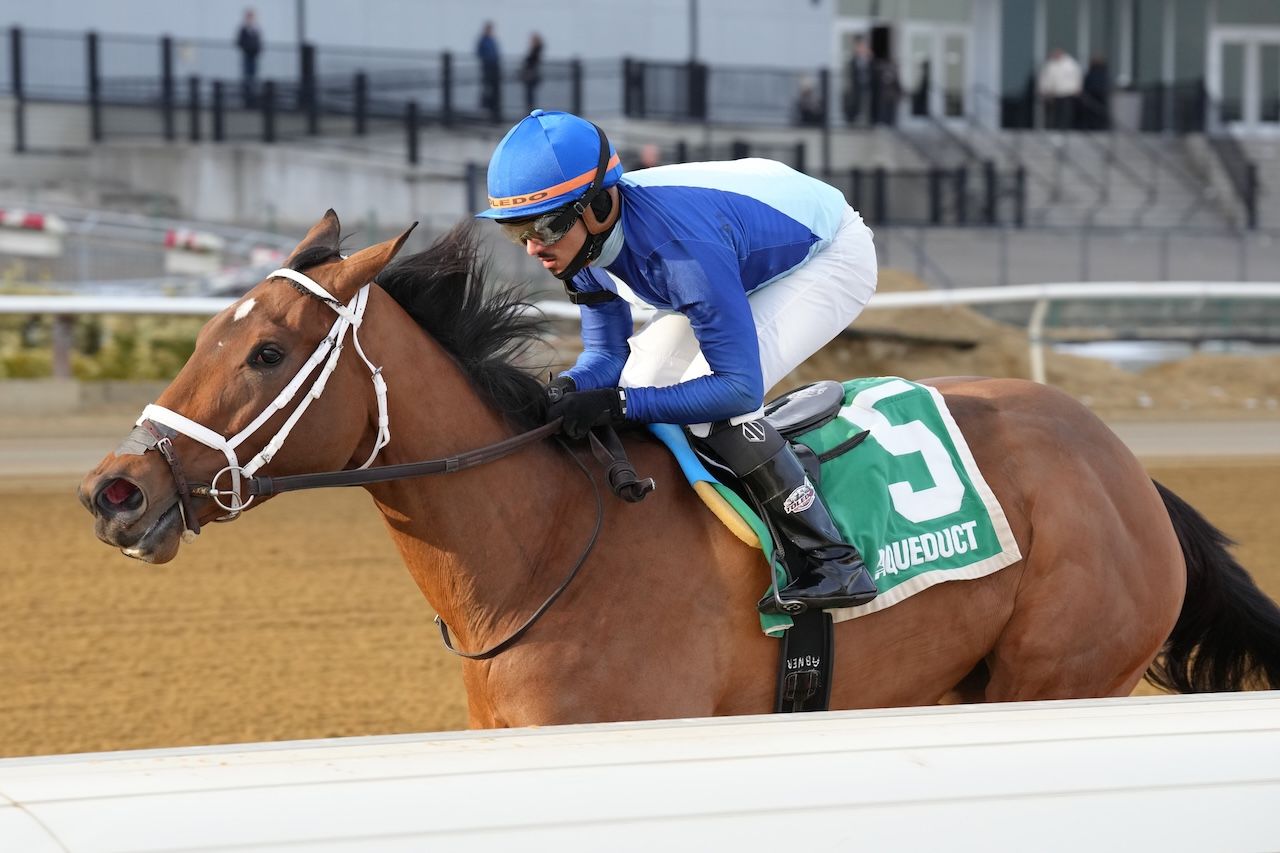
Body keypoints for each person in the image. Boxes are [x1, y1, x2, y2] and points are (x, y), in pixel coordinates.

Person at [476, 110, 880, 615]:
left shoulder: (678, 254)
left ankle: (831, 559)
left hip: (829, 254)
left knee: (708, 407)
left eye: (546, 227)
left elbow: (738, 389)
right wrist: (571, 390)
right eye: (517, 233)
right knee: (641, 382)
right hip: (736, 243)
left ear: (600, 207)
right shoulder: (579, 247)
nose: (535, 247)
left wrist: (617, 404)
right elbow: (608, 355)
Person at [1038, 47, 1082, 130]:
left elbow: (1077, 77)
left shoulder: (1070, 64)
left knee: (1066, 113)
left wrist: (1077, 88)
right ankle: (1055, 128)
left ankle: (1066, 128)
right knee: (1054, 113)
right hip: (1054, 93)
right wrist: (1043, 90)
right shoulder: (1050, 65)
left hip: (1067, 93)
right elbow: (1045, 78)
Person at [235, 8, 263, 108]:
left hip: (254, 57)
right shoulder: (243, 30)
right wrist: (247, 48)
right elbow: (239, 42)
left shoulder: (256, 30)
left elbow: (259, 43)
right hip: (246, 57)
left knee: (253, 78)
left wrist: (257, 51)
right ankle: (246, 99)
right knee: (247, 78)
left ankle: (252, 99)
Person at [843, 34, 873, 126]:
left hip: (867, 89)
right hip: (855, 90)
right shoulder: (852, 61)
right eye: (859, 46)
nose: (861, 48)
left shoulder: (870, 61)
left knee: (867, 107)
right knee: (855, 107)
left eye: (863, 46)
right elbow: (849, 76)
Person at [476, 21, 501, 121]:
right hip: (487, 68)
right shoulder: (483, 40)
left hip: (493, 67)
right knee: (487, 89)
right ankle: (486, 109)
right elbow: (480, 52)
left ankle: (492, 109)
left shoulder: (491, 40)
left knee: (493, 90)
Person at [1081, 55, 1111, 130]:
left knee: (1099, 113)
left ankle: (1099, 127)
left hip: (1099, 95)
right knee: (1093, 113)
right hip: (1094, 95)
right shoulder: (1098, 72)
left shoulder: (1100, 72)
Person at [520, 33, 544, 113]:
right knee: (530, 95)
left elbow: (531, 62)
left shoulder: (535, 50)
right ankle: (530, 110)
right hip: (531, 75)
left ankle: (530, 111)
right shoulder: (536, 50)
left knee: (530, 95)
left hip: (531, 76)